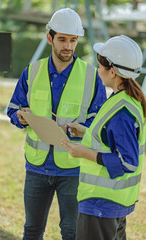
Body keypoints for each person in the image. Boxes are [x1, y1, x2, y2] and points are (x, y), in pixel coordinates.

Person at [7, 8, 106, 240]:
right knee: (31, 230)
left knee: (71, 232)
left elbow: (99, 121)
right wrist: (20, 116)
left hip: (72, 168)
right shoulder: (32, 72)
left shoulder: (92, 77)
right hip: (36, 167)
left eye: (73, 40)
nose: (68, 47)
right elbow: (12, 108)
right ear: (49, 38)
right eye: (62, 39)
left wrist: (84, 128)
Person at [62, 35, 146, 240]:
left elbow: (128, 162)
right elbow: (110, 138)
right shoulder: (123, 99)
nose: (97, 69)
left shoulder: (122, 112)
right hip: (111, 203)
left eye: (99, 65)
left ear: (113, 71)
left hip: (102, 205)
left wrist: (85, 153)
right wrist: (84, 132)